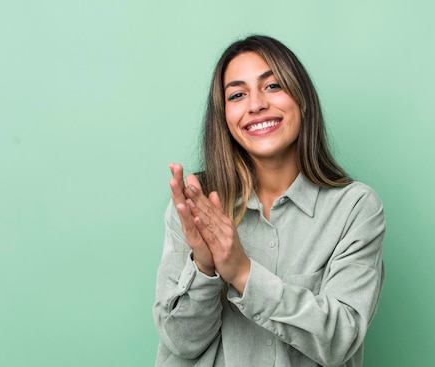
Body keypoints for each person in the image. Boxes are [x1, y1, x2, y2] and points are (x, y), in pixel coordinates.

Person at [153, 35, 385, 367]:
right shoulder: (196, 207)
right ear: (225, 117)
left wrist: (241, 271)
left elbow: (339, 341)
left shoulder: (355, 208)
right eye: (237, 94)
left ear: (302, 99)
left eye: (273, 86)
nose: (256, 104)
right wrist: (204, 268)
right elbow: (181, 343)